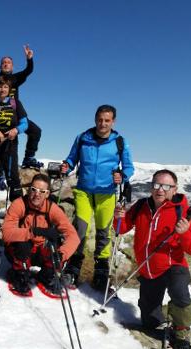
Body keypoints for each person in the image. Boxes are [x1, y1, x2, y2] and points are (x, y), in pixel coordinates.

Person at [114, 170, 191, 349]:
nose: (160, 190)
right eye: (157, 185)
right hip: (147, 269)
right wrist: (118, 218)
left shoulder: (182, 211)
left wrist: (184, 234)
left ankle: (182, 333)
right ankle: (165, 318)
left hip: (173, 266)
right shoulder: (141, 206)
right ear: (151, 186)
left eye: (166, 186)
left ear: (174, 189)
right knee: (149, 323)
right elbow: (121, 229)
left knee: (179, 291)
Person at [60, 104, 134, 291]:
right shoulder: (83, 138)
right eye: (100, 119)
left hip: (107, 193)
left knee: (103, 232)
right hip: (84, 191)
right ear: (95, 119)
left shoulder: (120, 142)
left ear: (113, 121)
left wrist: (122, 176)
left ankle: (101, 269)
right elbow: (71, 159)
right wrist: (66, 167)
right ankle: (74, 266)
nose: (103, 123)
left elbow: (128, 167)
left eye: (107, 120)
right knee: (80, 229)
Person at [1, 174, 80, 297]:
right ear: (29, 189)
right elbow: (6, 233)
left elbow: (73, 236)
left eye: (42, 191)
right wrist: (33, 231)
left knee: (57, 248)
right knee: (22, 244)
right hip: (21, 250)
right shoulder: (19, 204)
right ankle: (19, 273)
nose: (37, 194)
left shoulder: (52, 209)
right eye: (34, 189)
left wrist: (62, 254)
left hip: (40, 250)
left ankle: (47, 273)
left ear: (47, 194)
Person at [0, 45, 42, 169]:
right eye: (3, 63)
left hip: (15, 114)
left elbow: (28, 71)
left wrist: (29, 59)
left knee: (35, 131)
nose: (6, 64)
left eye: (9, 62)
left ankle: (28, 158)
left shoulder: (15, 78)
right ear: (0, 66)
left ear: (12, 66)